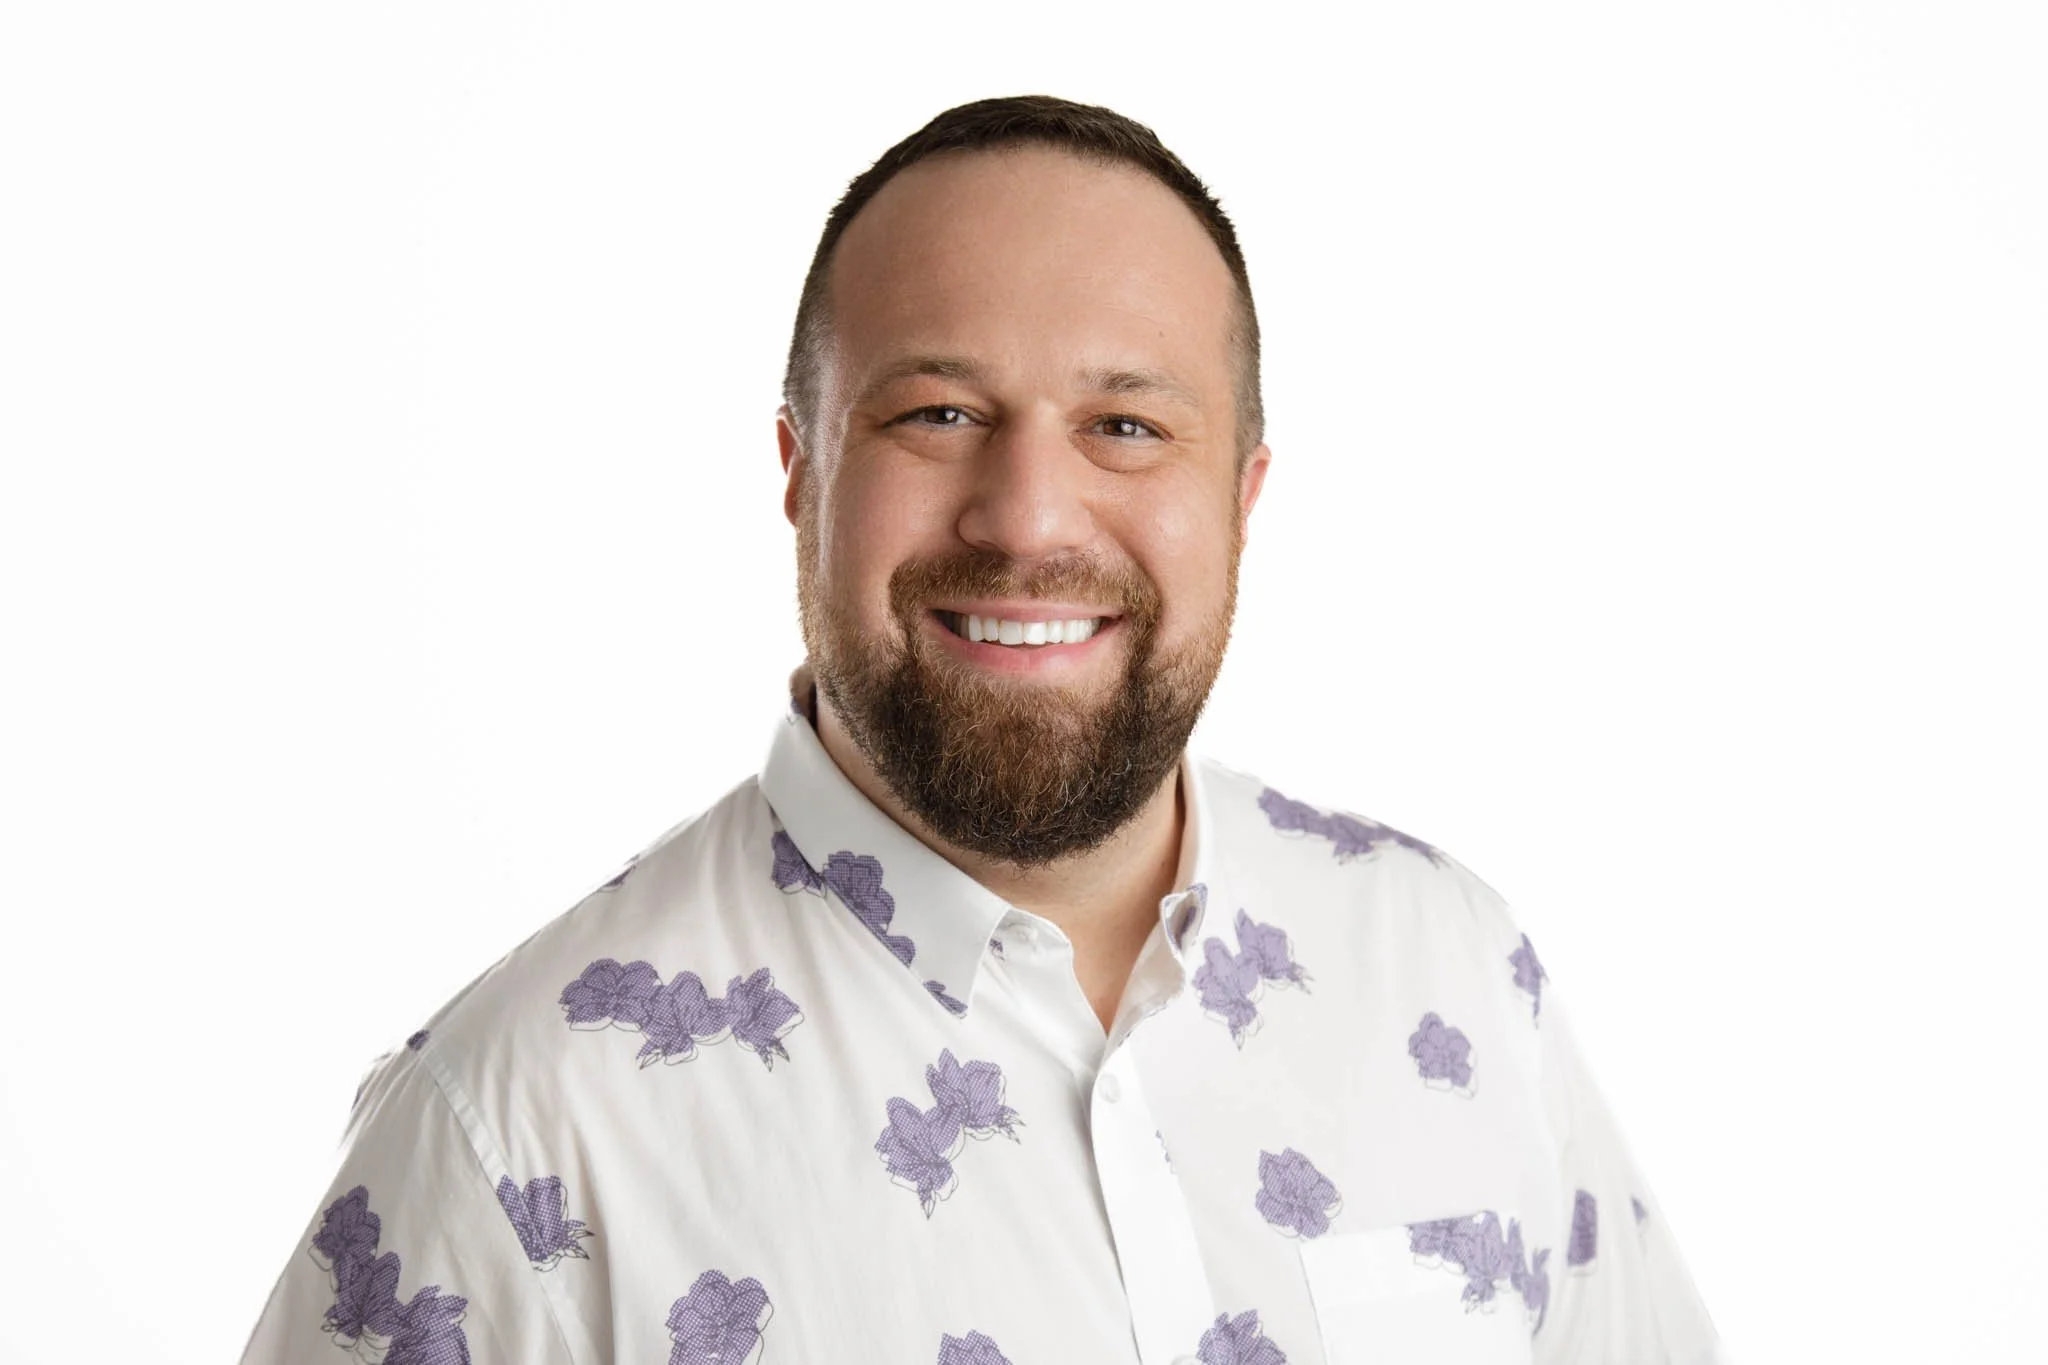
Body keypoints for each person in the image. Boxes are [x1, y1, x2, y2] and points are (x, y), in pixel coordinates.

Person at [236, 95, 1727, 1365]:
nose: (1025, 518)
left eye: (1126, 427)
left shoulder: (1457, 975)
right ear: (801, 472)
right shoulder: (515, 1135)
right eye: (938, 414)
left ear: (1244, 503)